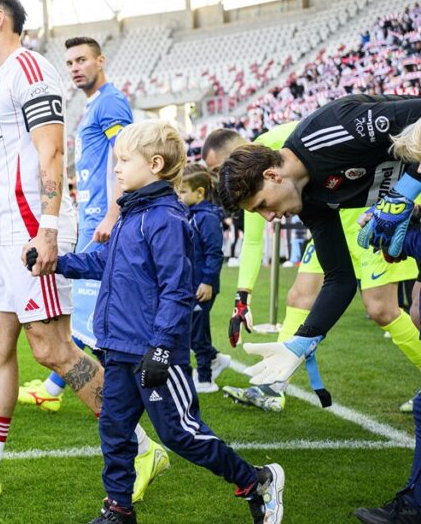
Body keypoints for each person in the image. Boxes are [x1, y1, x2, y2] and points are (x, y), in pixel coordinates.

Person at [0, 0, 166, 503]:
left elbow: (52, 152)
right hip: (2, 229)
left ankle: (142, 446)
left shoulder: (31, 70)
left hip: (34, 226)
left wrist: (49, 228)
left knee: (52, 348)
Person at [53, 120, 284, 524]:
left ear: (156, 164)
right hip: (120, 350)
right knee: (113, 429)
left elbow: (178, 290)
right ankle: (119, 510)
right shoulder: (131, 213)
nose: (118, 169)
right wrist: (57, 263)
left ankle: (258, 482)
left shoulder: (166, 219)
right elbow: (104, 263)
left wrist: (160, 348)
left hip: (154, 353)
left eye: (124, 161)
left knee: (180, 434)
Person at [214, 94, 421, 522]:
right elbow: (340, 278)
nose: (269, 219)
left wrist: (402, 196)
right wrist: (300, 343)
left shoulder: (331, 129)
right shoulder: (309, 200)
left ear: (272, 175)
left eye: (262, 207)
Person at [203, 123, 421, 412]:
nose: (219, 178)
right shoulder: (252, 188)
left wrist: (405, 192)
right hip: (328, 221)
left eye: (218, 169)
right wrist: (242, 296)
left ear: (237, 152)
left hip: (371, 214)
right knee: (299, 296)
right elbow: (253, 240)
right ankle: (272, 385)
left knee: (382, 309)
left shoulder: (276, 148)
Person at [18, 36, 133, 411]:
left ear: (100, 61)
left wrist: (113, 215)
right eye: (69, 63)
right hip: (92, 218)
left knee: (88, 308)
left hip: (103, 220)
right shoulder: (93, 105)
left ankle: (61, 388)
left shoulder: (112, 102)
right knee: (88, 307)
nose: (75, 68)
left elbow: (126, 158)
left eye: (82, 60)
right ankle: (57, 385)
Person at [178, 168, 230, 393]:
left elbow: (215, 252)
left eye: (182, 191)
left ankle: (206, 379)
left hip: (202, 287)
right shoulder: (190, 214)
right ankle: (216, 359)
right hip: (191, 286)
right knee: (190, 331)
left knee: (196, 333)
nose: (178, 196)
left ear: (199, 193)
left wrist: (207, 282)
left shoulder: (206, 218)